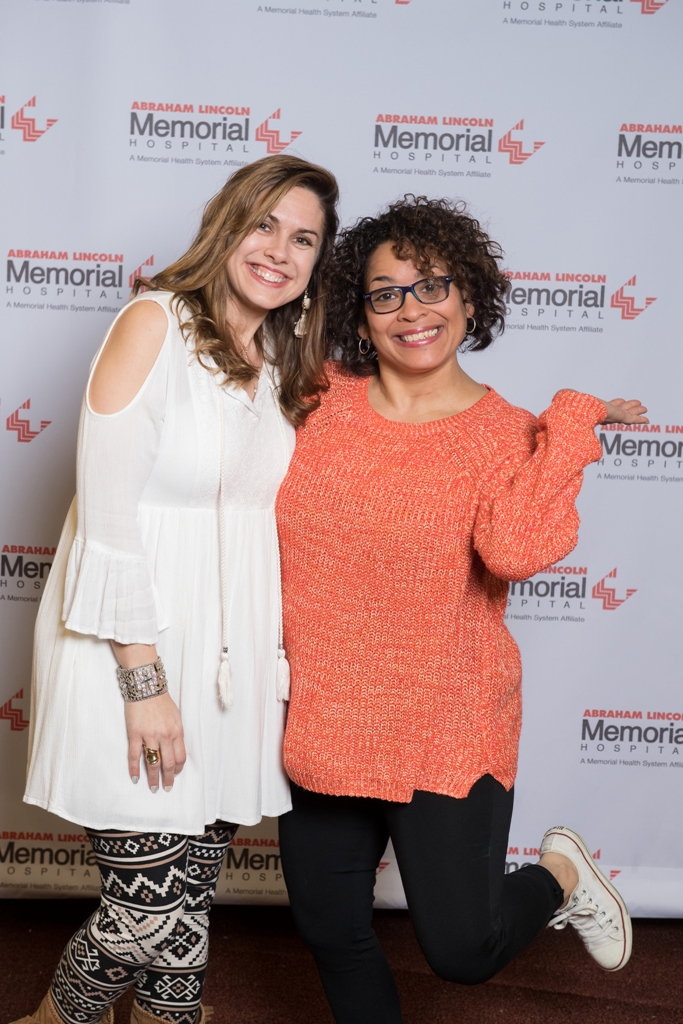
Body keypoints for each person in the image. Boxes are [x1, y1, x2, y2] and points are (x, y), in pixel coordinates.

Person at [275, 195, 645, 1024]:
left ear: (469, 299)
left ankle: (561, 875)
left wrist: (569, 427)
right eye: (385, 293)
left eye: (433, 285)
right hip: (327, 717)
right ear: (359, 316)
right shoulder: (315, 400)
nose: (411, 309)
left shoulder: (506, 434)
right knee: (329, 928)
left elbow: (514, 552)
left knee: (463, 952)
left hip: (445, 721)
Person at [17, 155, 339, 1024]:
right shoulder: (152, 323)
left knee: (184, 905)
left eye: (303, 239)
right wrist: (144, 682)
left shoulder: (280, 360)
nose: (278, 250)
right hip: (132, 646)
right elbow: (109, 519)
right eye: (264, 224)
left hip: (229, 665)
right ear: (227, 224)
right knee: (146, 913)